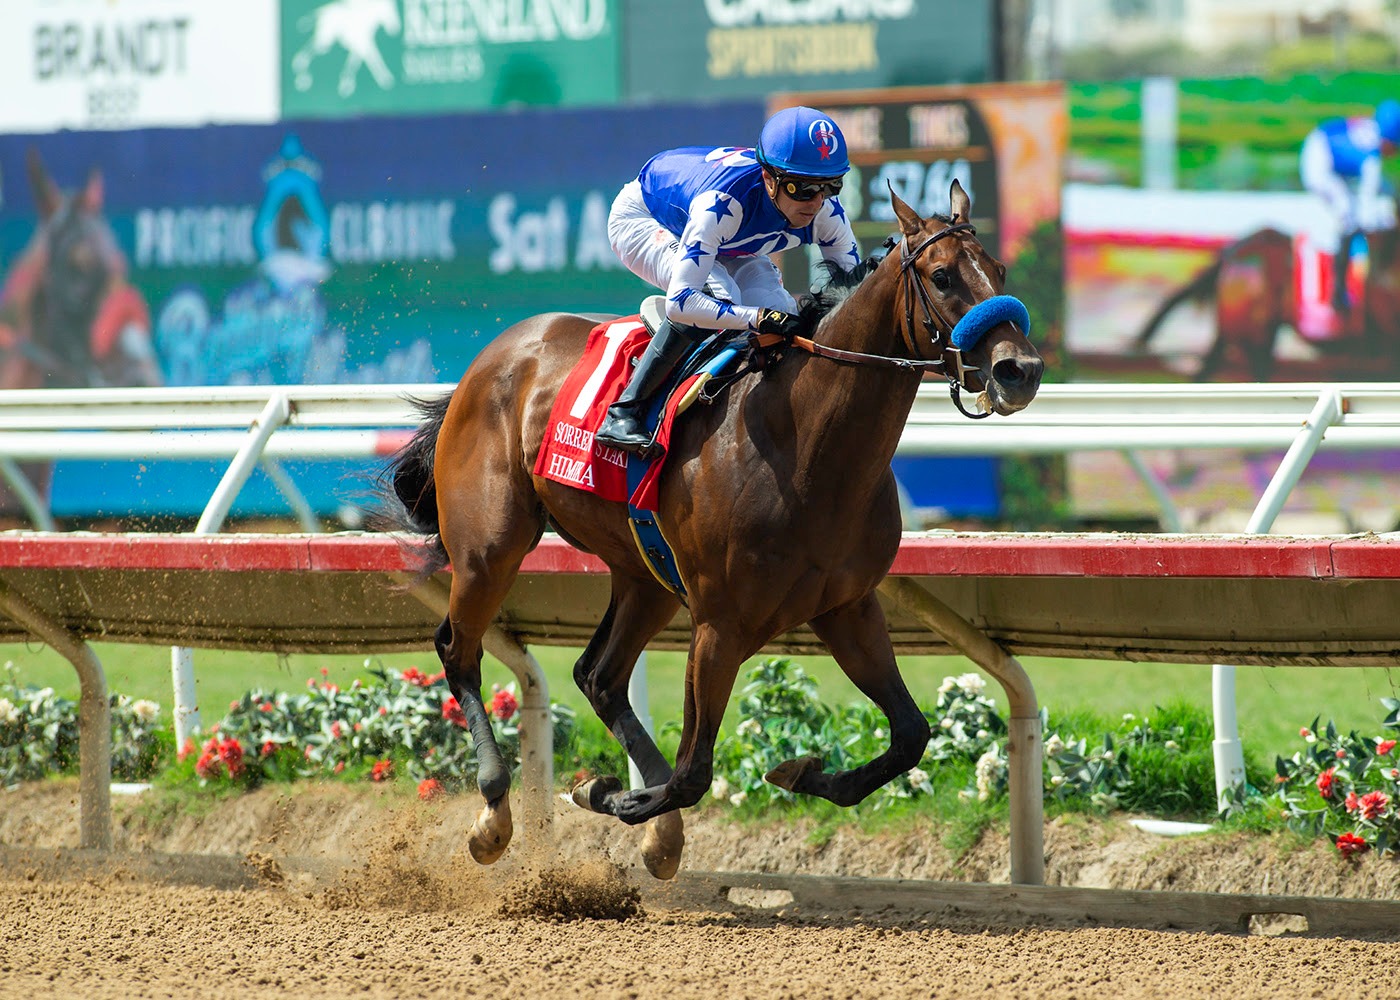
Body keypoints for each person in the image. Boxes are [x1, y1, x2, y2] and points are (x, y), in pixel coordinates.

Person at [596, 105, 862, 454]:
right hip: (646, 218)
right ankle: (624, 411)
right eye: (802, 187)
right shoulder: (721, 203)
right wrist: (754, 319)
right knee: (719, 296)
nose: (815, 202)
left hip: (728, 240)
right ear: (769, 179)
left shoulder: (825, 211)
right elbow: (681, 303)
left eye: (829, 186)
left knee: (781, 308)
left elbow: (854, 292)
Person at [1299, 99, 1400, 313]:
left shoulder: (1374, 134)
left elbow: (1384, 188)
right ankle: (1338, 294)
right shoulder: (1371, 159)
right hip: (1319, 165)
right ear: (1389, 141)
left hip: (1325, 151)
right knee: (1350, 216)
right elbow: (1368, 202)